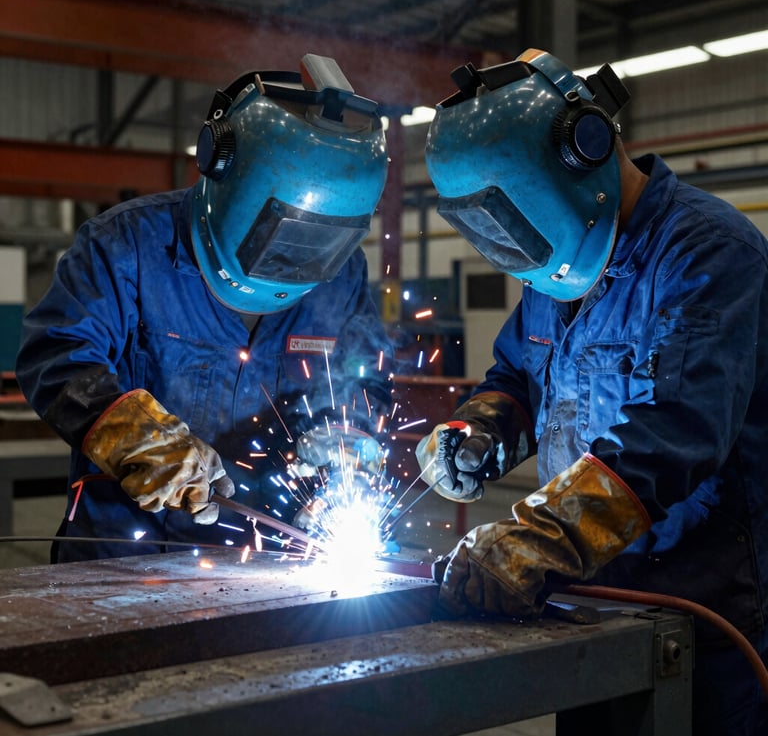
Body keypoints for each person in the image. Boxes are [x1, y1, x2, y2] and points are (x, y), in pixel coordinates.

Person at [416, 48, 768, 735]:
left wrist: (541, 536)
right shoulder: (556, 269)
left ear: (588, 149)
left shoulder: (708, 254)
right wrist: (482, 429)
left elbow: (675, 434)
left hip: (712, 629)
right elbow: (519, 376)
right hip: (587, 610)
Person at [16, 54, 394, 563]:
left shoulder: (344, 273)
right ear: (220, 166)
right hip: (121, 558)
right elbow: (55, 354)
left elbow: (360, 376)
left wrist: (345, 438)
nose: (293, 262)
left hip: (269, 560)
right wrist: (132, 433)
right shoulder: (127, 245)